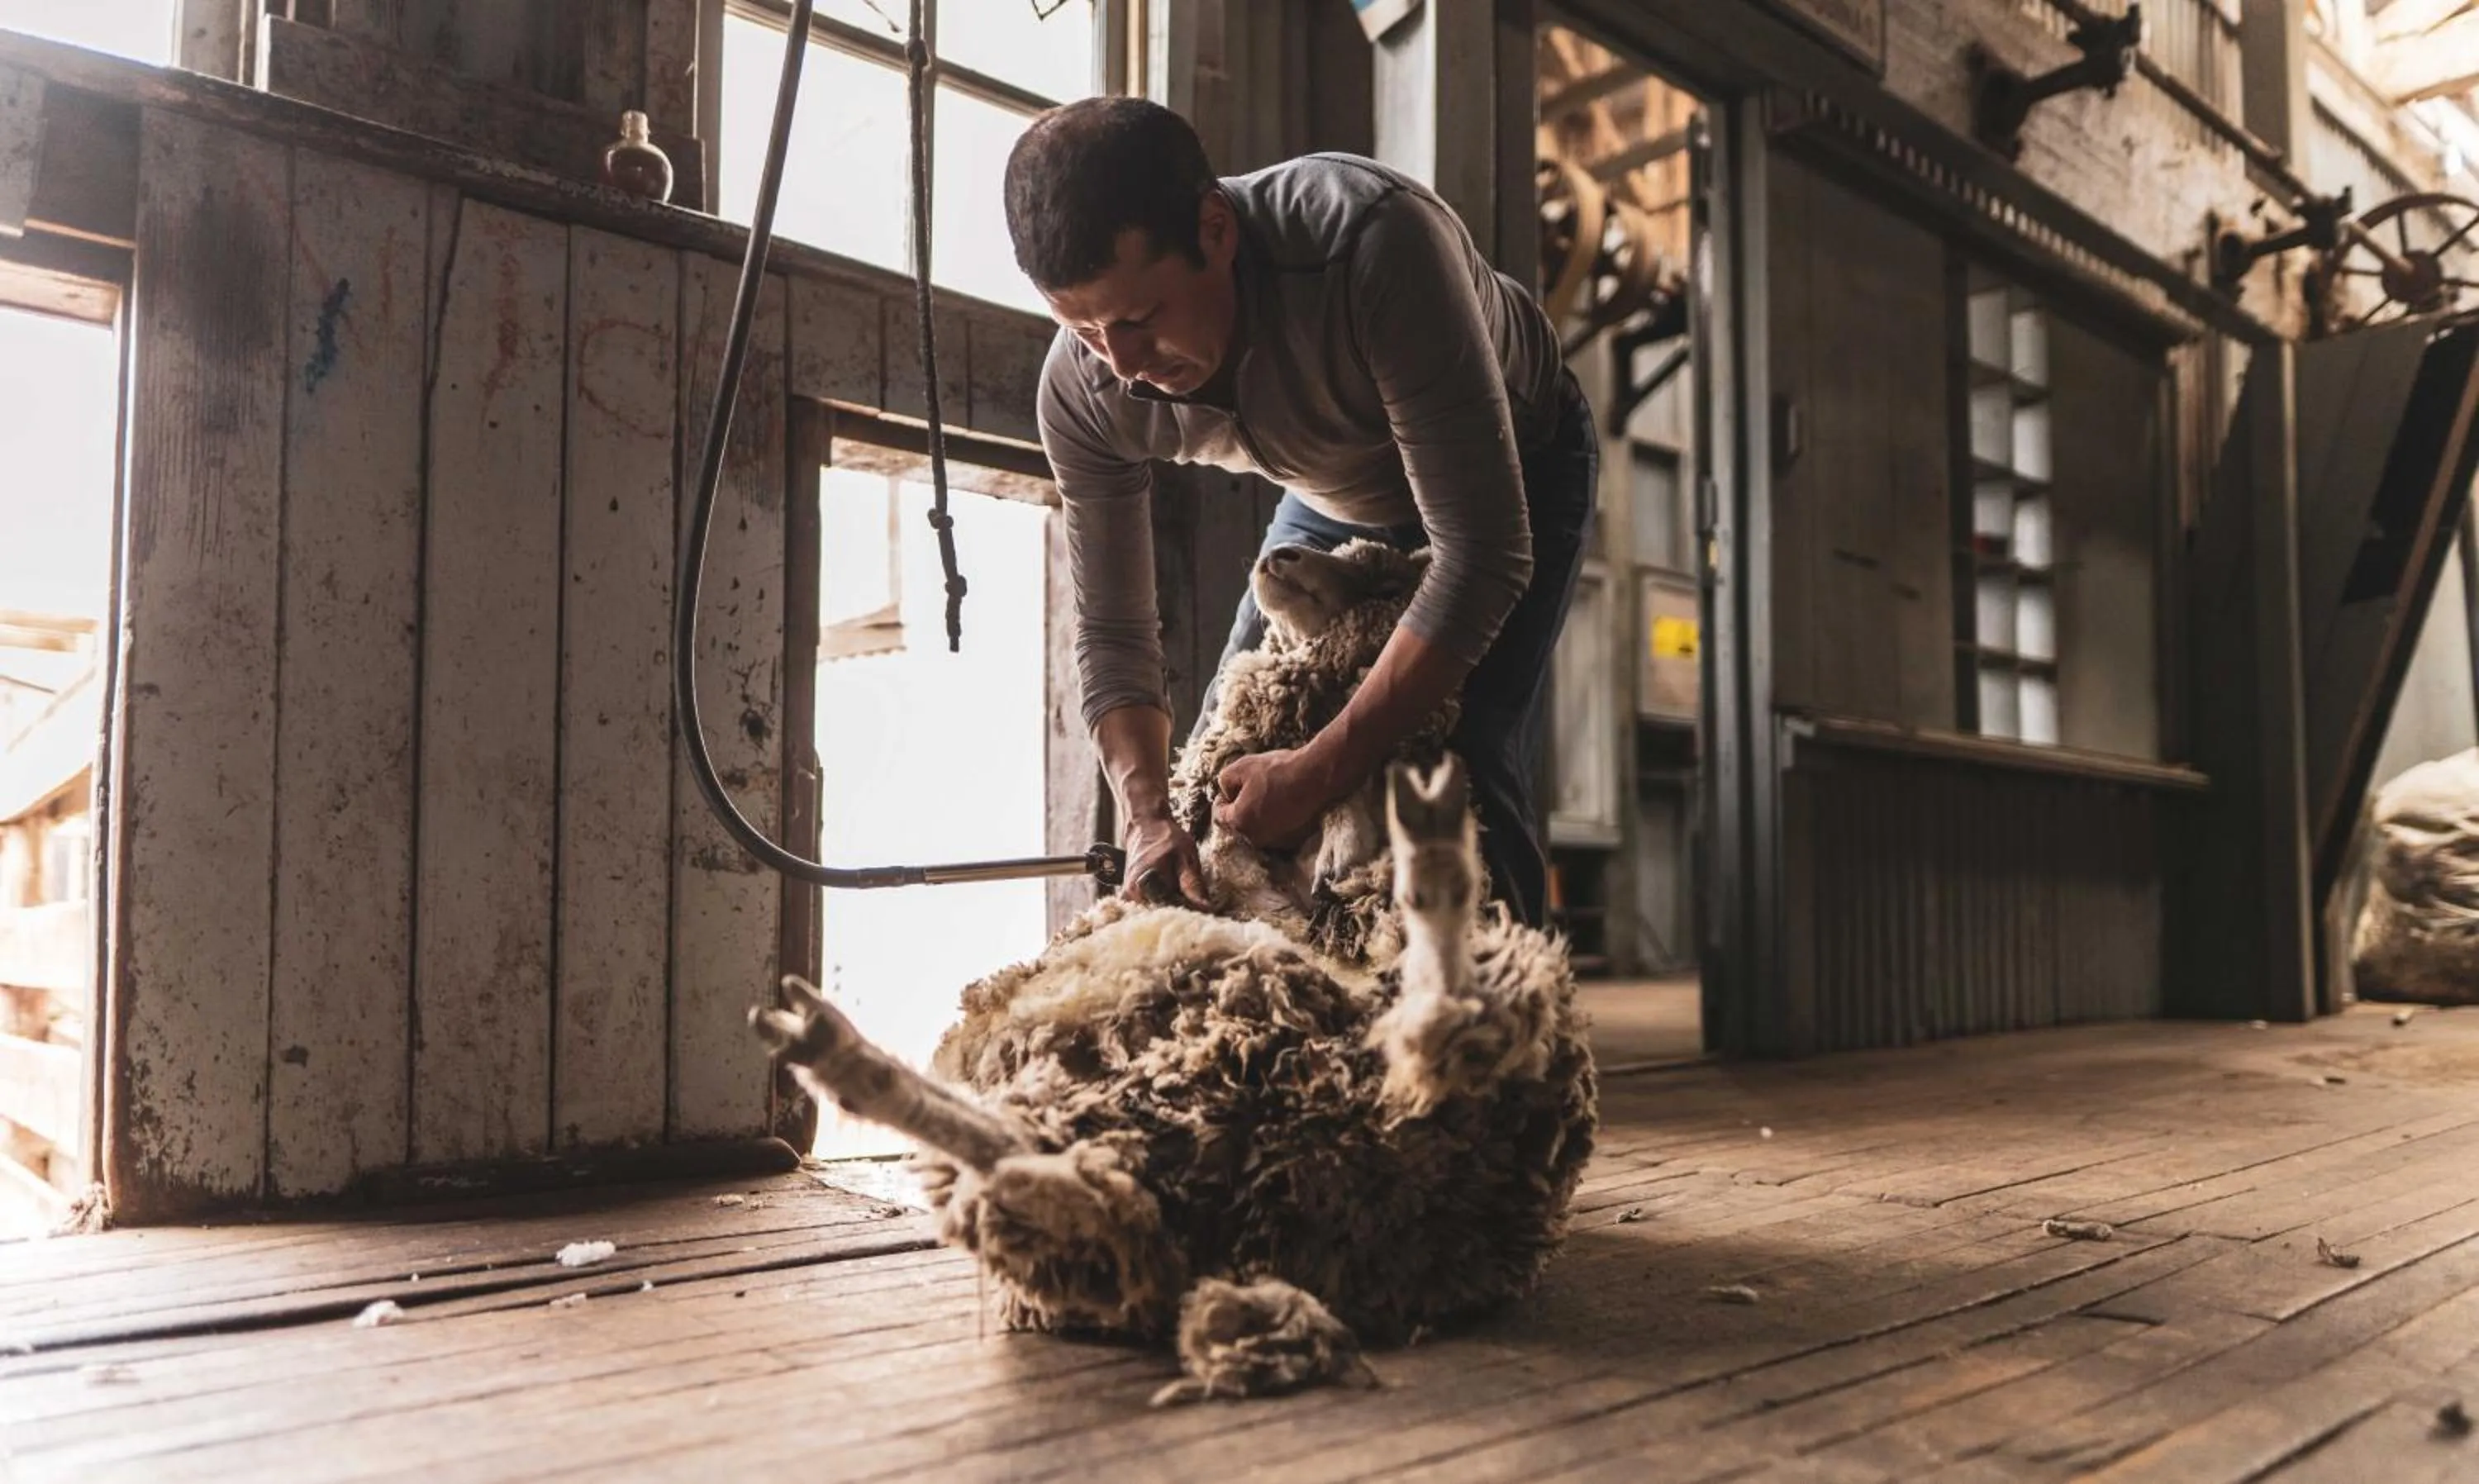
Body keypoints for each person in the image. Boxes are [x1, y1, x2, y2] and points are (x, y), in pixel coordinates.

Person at [1003, 96, 1597, 929]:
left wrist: (1321, 770)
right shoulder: (1082, 386)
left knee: (1458, 763)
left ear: (1216, 229)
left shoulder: (1373, 245)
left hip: (1513, 466)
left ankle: (1503, 1038)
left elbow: (1482, 555)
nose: (1124, 366)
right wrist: (1145, 822)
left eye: (1139, 320)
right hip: (1333, 490)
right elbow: (1114, 634)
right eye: (1086, 329)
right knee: (1224, 768)